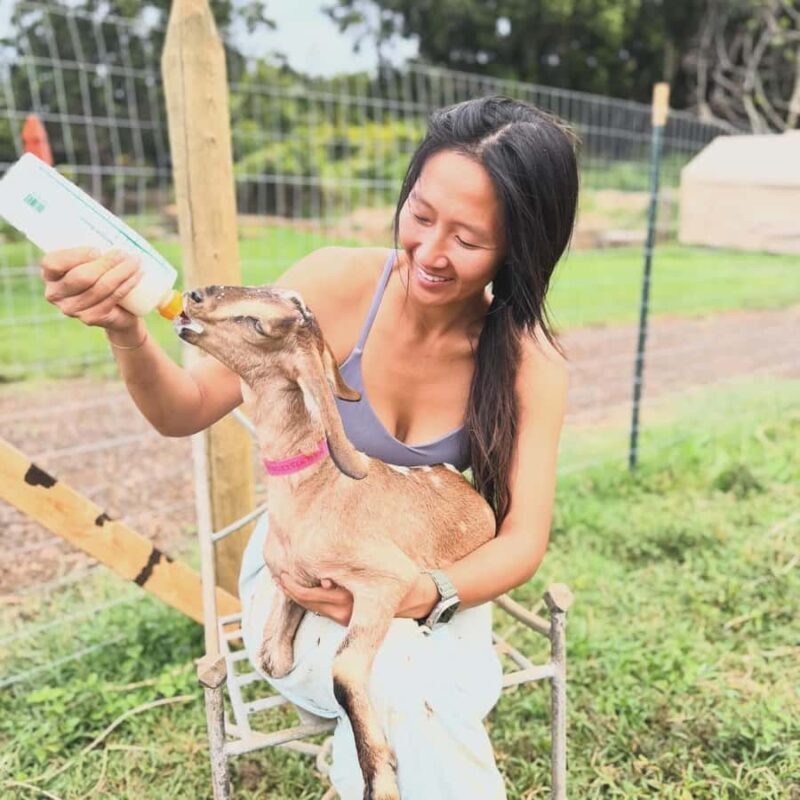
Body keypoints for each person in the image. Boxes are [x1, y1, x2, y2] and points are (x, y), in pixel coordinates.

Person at [40, 95, 578, 799]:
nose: (431, 252)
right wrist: (126, 330)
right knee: (408, 689)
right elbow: (186, 408)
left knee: (406, 687)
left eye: (470, 239)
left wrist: (426, 594)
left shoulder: (528, 364)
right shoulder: (332, 286)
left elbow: (522, 542)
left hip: (431, 585)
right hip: (304, 580)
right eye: (420, 214)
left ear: (521, 246)